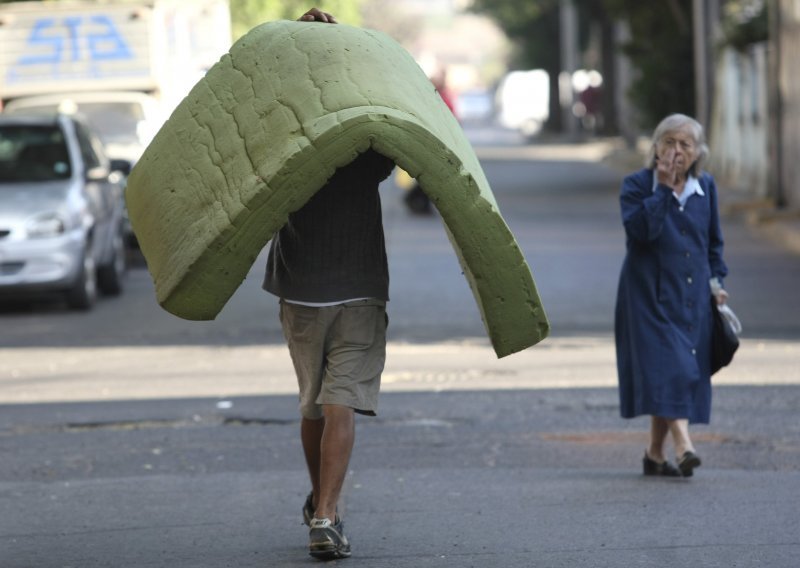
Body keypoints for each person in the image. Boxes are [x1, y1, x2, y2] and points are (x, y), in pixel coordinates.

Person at [262, 7, 395, 560]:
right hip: (360, 283)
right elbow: (394, 152)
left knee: (315, 406)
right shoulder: (364, 126)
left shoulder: (280, 123)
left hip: (300, 285)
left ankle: (324, 504)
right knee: (339, 405)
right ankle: (325, 513)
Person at [614, 113, 730, 478]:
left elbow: (713, 243)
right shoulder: (636, 186)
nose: (677, 151)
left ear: (698, 154)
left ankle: (653, 454)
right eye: (669, 142)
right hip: (646, 296)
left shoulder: (705, 187)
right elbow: (641, 233)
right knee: (671, 369)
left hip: (693, 297)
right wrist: (663, 190)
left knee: (675, 372)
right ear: (655, 147)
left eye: (686, 144)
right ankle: (684, 444)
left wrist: (717, 282)